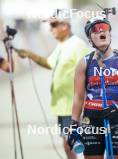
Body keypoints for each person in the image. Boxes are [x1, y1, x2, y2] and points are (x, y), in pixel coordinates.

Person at [15, 11, 89, 159]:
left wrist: (85, 105)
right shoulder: (63, 45)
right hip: (62, 106)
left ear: (65, 26)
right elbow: (49, 63)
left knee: (77, 143)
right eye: (51, 26)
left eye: (54, 25)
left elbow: (89, 72)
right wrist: (30, 54)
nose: (51, 29)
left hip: (73, 105)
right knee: (67, 143)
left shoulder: (78, 45)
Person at [68, 16, 118, 159]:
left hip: (116, 117)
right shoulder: (84, 63)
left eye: (105, 27)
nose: (101, 30)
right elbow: (78, 97)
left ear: (110, 34)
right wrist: (74, 124)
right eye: (95, 29)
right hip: (91, 120)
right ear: (90, 39)